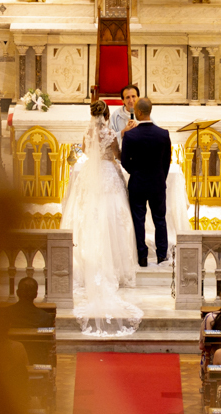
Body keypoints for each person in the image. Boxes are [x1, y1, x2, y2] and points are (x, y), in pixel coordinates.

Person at [58, 100, 142, 336]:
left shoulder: (87, 133)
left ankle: (86, 260)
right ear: (106, 115)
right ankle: (115, 264)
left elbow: (86, 152)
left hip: (90, 173)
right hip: (108, 173)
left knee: (88, 214)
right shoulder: (110, 133)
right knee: (113, 216)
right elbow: (117, 155)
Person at [120, 97, 172, 267]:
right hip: (157, 183)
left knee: (138, 220)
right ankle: (162, 255)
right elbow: (166, 161)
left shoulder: (130, 135)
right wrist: (160, 177)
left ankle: (142, 257)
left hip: (138, 183)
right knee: (160, 219)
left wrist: (136, 172)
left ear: (139, 112)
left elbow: (125, 162)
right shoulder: (163, 134)